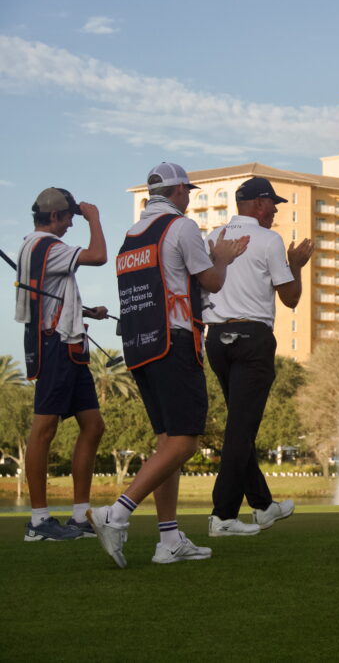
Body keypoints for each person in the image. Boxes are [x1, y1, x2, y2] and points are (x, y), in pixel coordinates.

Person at [88, 162, 249, 567]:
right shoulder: (182, 227)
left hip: (139, 347)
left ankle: (169, 539)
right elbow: (211, 281)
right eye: (188, 192)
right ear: (177, 192)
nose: (190, 197)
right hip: (174, 342)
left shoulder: (132, 235)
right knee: (184, 442)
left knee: (167, 443)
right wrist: (224, 257)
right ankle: (117, 513)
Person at [203, 177, 313, 537]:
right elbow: (291, 299)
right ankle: (222, 516)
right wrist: (296, 265)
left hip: (217, 338)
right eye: (273, 204)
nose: (277, 210)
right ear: (258, 204)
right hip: (252, 338)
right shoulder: (269, 240)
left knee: (240, 425)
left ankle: (263, 506)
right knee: (241, 428)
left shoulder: (213, 238)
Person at [15, 188, 107, 541]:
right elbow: (98, 256)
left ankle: (80, 516)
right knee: (44, 429)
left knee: (93, 426)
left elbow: (47, 298)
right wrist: (94, 217)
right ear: (53, 216)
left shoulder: (32, 246)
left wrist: (86, 312)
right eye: (68, 216)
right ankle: (38, 522)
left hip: (67, 344)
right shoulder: (49, 247)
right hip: (57, 345)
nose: (71, 223)